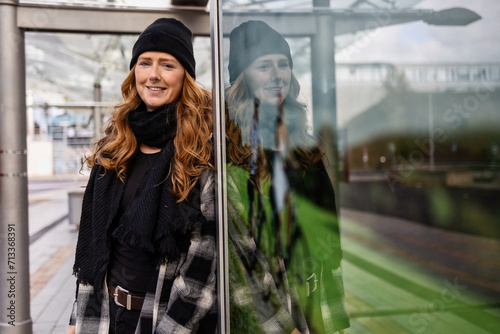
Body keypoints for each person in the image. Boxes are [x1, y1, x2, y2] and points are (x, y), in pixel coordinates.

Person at [67, 18, 217, 334]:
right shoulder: (116, 144)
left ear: (185, 76)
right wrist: (76, 319)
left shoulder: (201, 152)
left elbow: (204, 266)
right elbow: (95, 245)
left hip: (166, 319)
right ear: (134, 71)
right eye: (145, 62)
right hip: (107, 316)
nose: (153, 75)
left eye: (167, 65)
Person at [225, 20, 350, 333]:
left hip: (311, 292)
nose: (277, 74)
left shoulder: (303, 146)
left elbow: (324, 237)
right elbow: (240, 259)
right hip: (264, 307)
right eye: (263, 65)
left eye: (284, 64)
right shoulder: (230, 151)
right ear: (242, 79)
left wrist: (332, 318)